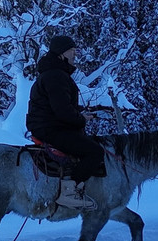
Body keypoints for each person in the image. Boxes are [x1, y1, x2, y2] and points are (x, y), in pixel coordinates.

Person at [25, 35, 105, 210]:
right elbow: (62, 111)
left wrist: (78, 115)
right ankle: (69, 193)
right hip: (52, 129)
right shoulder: (56, 76)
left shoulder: (52, 74)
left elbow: (60, 107)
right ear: (61, 54)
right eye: (72, 50)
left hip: (47, 126)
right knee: (95, 152)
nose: (75, 54)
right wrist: (80, 118)